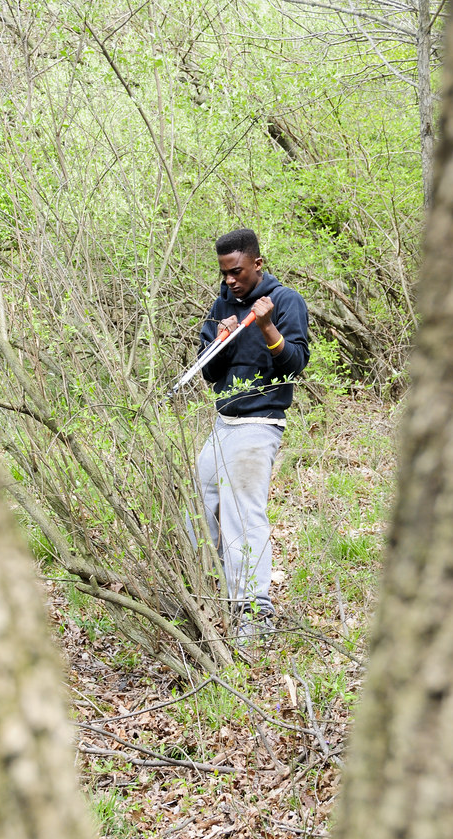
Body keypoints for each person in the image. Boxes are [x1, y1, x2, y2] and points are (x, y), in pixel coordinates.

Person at [193, 228, 309, 640]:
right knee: (201, 504)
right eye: (224, 273)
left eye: (237, 271)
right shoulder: (222, 304)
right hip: (224, 423)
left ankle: (256, 611)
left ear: (257, 264)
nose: (230, 280)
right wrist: (222, 340)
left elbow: (295, 364)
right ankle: (222, 597)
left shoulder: (286, 301)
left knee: (244, 512)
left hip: (260, 422)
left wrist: (266, 327)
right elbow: (208, 373)